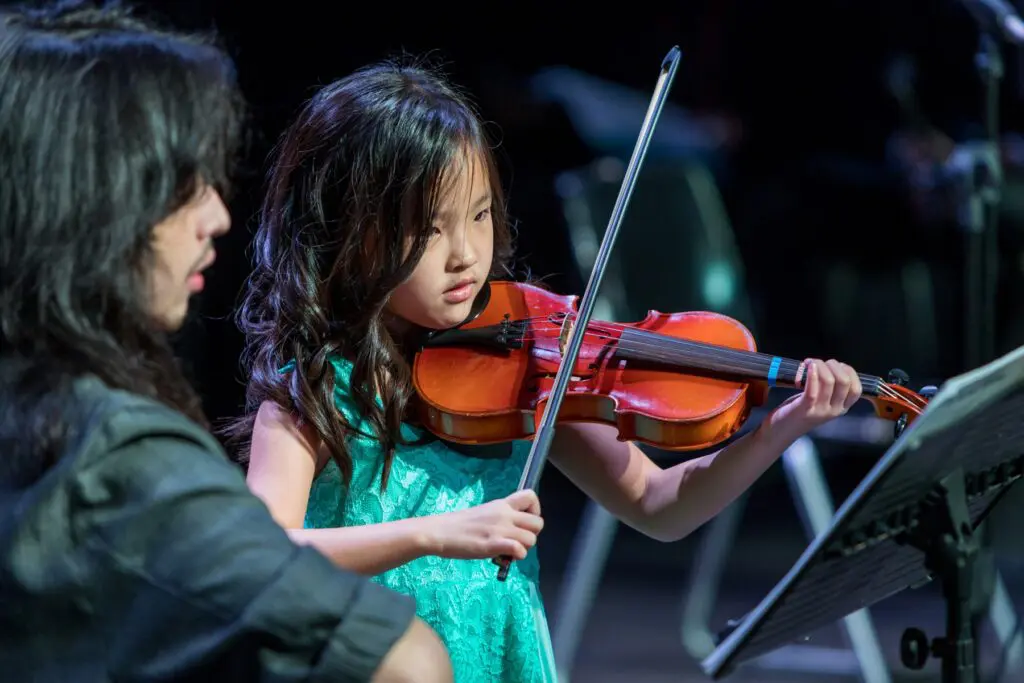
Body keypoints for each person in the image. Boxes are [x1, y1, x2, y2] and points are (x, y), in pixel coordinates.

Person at [226, 58, 863, 683]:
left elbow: (660, 505)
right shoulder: (308, 394)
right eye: (428, 229)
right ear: (347, 234)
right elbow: (264, 555)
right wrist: (434, 535)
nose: (466, 255)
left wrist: (780, 427)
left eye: (478, 215)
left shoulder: (525, 367)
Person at [0, 4, 452, 682]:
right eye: (181, 182)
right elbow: (406, 663)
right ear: (88, 198)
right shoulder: (116, 456)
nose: (217, 215)